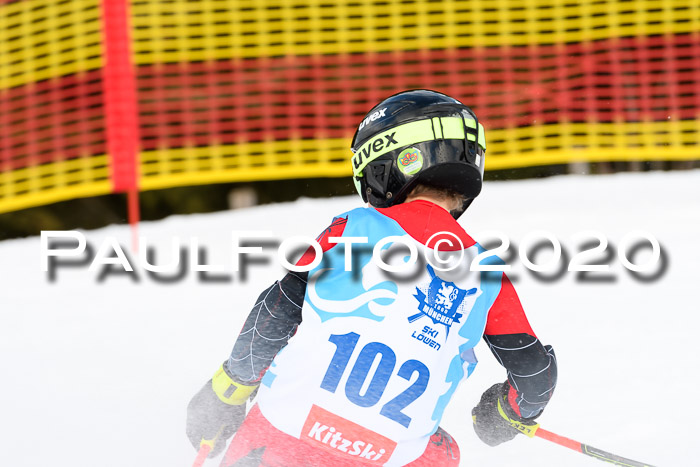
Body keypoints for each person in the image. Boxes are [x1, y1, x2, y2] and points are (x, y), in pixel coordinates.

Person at [186, 90, 558, 466]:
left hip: (284, 434)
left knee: (279, 400)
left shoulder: (350, 229)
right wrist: (507, 413)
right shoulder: (486, 274)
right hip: (386, 456)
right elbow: (535, 377)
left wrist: (227, 392)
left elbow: (276, 312)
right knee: (441, 452)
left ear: (386, 165)